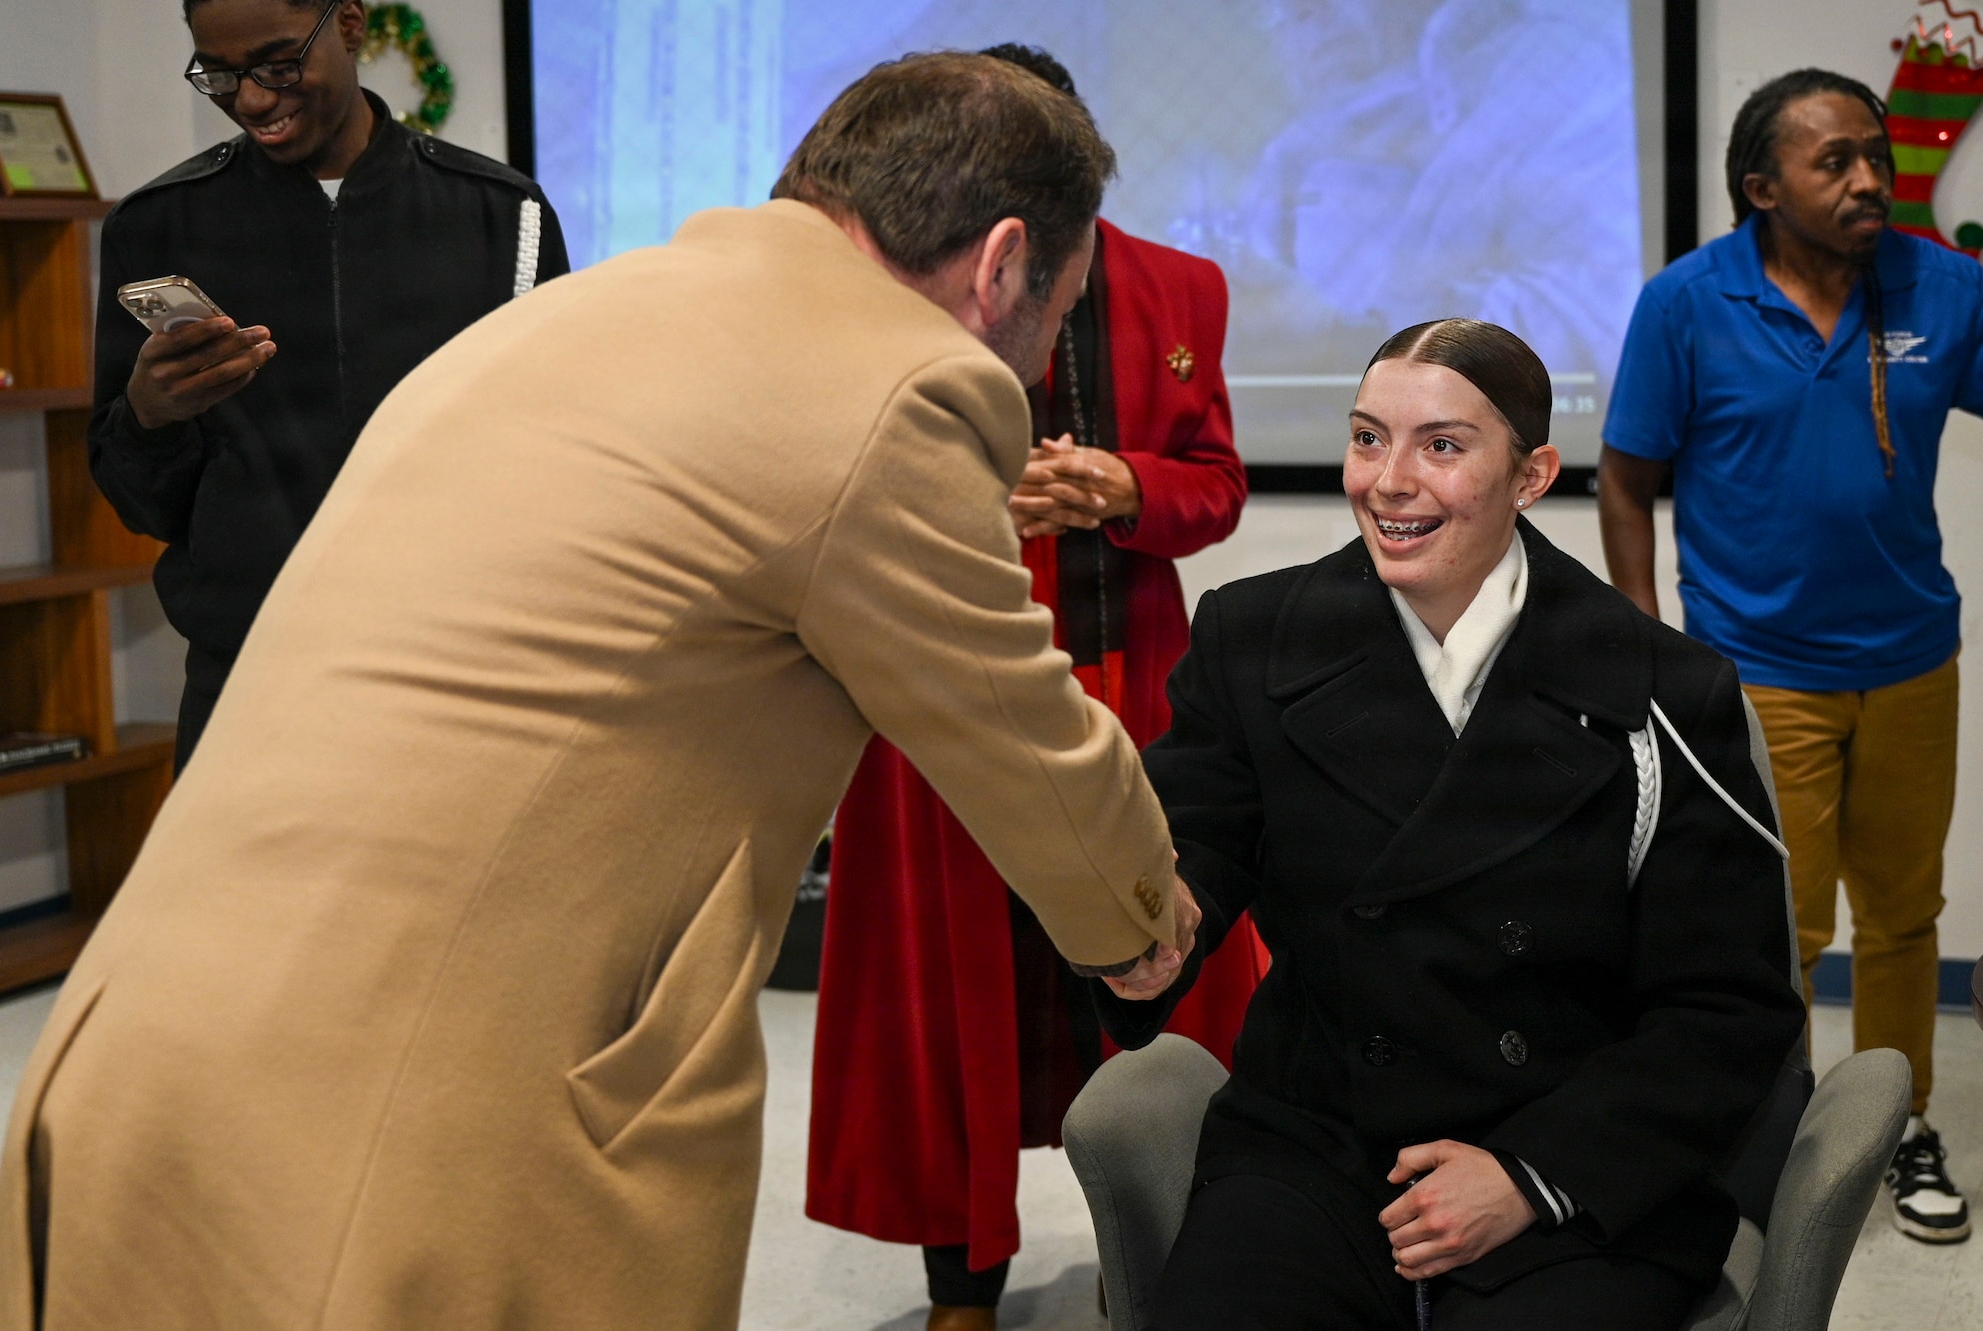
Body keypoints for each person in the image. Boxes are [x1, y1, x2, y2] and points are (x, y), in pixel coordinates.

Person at [0, 53, 1200, 1331]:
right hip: (399, 1129)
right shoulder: (895, 384)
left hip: (133, 1049)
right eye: (1055, 315)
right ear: (1001, 261)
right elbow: (1015, 728)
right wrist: (1141, 924)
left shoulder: (563, 318)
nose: (1036, 362)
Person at [1107, 319, 1805, 1329]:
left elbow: (1727, 1009)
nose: (1386, 480)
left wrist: (1529, 1174)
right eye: (1364, 438)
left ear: (1529, 474)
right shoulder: (1250, 637)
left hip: (1562, 1148)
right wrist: (1150, 930)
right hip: (1320, 1143)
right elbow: (1200, 845)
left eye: (1440, 445)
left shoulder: (1659, 689)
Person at [806, 45, 1263, 1330]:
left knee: (1156, 972)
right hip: (931, 693)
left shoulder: (1185, 286)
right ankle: (962, 1285)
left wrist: (1126, 488)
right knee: (953, 1002)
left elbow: (1216, 487)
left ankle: (1153, 1250)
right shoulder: (885, 288)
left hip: (1136, 680)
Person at [1599, 68, 1978, 1244]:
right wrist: (1647, 640)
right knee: (1778, 926)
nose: (1869, 178)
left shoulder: (1943, 286)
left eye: (1875, 153)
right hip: (1754, 666)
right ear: (1761, 187)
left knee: (1905, 911)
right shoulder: (1685, 302)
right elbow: (1624, 475)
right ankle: (1787, 1131)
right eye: (1835, 162)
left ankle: (1899, 1116)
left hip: (1912, 657)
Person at [90, 0, 569, 772]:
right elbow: (140, 503)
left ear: (349, 24)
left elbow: (561, 472)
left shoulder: (500, 214)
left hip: (466, 690)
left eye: (279, 65)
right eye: (218, 73)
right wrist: (150, 416)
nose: (250, 99)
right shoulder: (159, 227)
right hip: (247, 694)